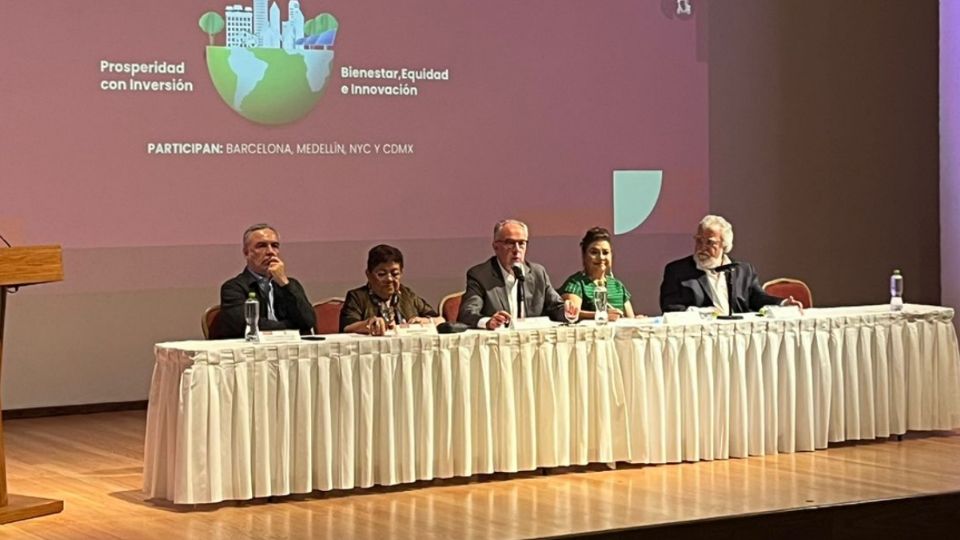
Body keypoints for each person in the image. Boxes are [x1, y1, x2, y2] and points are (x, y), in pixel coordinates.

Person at [659, 214, 802, 313]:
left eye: (710, 243)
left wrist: (783, 304)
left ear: (724, 245)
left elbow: (758, 298)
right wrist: (704, 315)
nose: (702, 247)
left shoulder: (743, 271)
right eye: (699, 240)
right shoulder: (677, 271)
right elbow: (670, 308)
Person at [210, 223, 316, 339]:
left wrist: (284, 284)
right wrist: (293, 327)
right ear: (246, 253)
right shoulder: (233, 288)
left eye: (275, 246)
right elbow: (249, 326)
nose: (270, 251)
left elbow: (308, 321)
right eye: (261, 246)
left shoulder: (290, 284)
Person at [458, 219, 566, 329]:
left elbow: (557, 307)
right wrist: (488, 322)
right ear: (496, 246)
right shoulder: (480, 275)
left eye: (521, 243)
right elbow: (467, 313)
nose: (517, 250)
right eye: (510, 243)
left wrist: (568, 312)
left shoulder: (538, 273)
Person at [339, 244, 443, 336]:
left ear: (401, 273)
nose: (389, 279)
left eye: (395, 274)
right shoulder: (357, 297)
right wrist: (368, 324)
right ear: (368, 275)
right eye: (381, 274)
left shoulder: (407, 295)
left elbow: (440, 320)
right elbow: (347, 327)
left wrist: (425, 321)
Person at [559, 227, 636, 320]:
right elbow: (571, 314)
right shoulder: (576, 283)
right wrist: (602, 315)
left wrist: (638, 320)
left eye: (605, 252)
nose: (601, 257)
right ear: (584, 256)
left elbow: (631, 319)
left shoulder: (617, 286)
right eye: (594, 252)